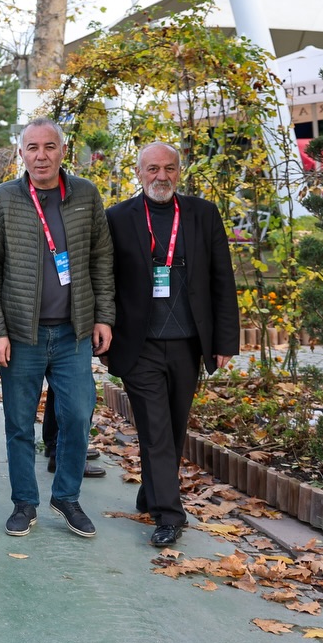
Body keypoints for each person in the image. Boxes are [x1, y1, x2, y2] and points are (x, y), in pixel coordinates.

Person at [0, 117, 114, 540]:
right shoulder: (3, 198)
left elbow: (101, 260)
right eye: (32, 147)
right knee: (19, 423)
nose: (41, 155)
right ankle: (25, 502)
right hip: (21, 334)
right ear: (22, 153)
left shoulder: (86, 195)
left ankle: (67, 496)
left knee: (77, 414)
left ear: (63, 151)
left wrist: (103, 315)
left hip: (73, 332)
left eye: (49, 147)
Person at [106, 142, 238, 546]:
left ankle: (151, 493)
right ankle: (170, 514)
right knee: (157, 428)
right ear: (139, 171)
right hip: (139, 344)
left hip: (188, 344)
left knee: (174, 427)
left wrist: (225, 339)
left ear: (179, 171)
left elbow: (222, 279)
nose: (161, 176)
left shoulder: (202, 214)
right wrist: (103, 330)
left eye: (169, 169)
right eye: (152, 169)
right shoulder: (116, 218)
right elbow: (105, 280)